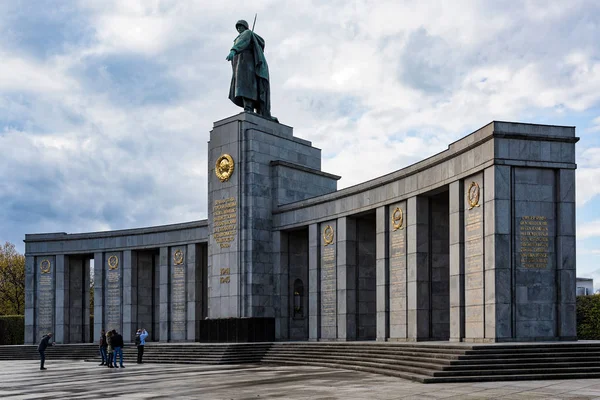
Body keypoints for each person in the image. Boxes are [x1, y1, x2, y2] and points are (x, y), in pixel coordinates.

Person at [226, 19, 276, 120]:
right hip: (240, 65)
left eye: (241, 26)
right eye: (238, 27)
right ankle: (248, 107)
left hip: (246, 64)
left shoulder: (247, 33)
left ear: (245, 27)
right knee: (243, 86)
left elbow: (243, 42)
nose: (239, 28)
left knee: (246, 86)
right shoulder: (238, 37)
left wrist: (233, 50)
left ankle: (248, 107)